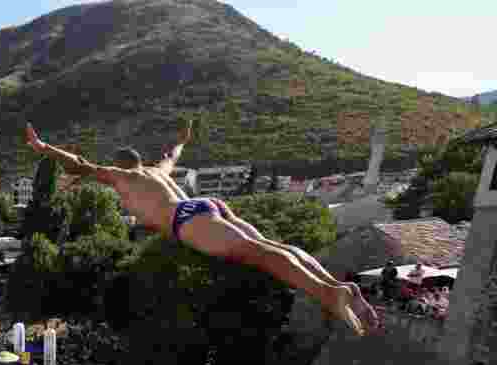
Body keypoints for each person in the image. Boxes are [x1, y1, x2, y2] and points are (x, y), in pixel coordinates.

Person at [23, 122, 380, 336]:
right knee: (270, 246)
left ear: (120, 165)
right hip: (207, 206)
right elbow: (173, 153)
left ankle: (328, 294)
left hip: (186, 220)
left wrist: (44, 148)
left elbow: (81, 165)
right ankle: (337, 286)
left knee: (259, 255)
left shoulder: (124, 177)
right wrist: (183, 139)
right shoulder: (156, 171)